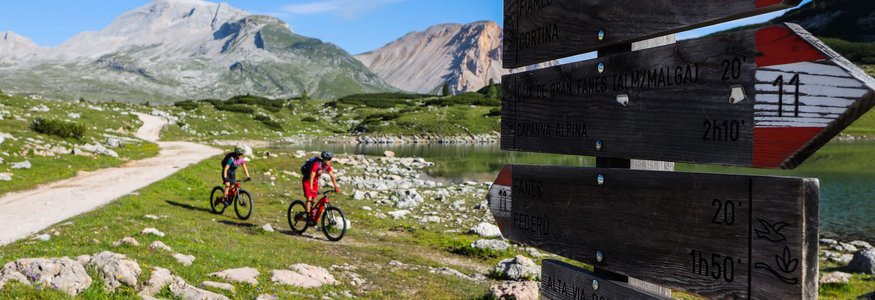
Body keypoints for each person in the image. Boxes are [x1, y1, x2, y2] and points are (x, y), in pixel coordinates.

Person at [302, 151, 340, 225]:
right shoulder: (317, 164)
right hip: (307, 181)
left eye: (330, 159)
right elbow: (312, 176)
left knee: (314, 199)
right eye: (329, 159)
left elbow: (332, 176)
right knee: (309, 198)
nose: (330, 161)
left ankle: (312, 214)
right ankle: (308, 217)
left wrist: (336, 186)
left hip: (315, 181)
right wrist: (311, 188)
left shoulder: (327, 166)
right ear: (324, 159)